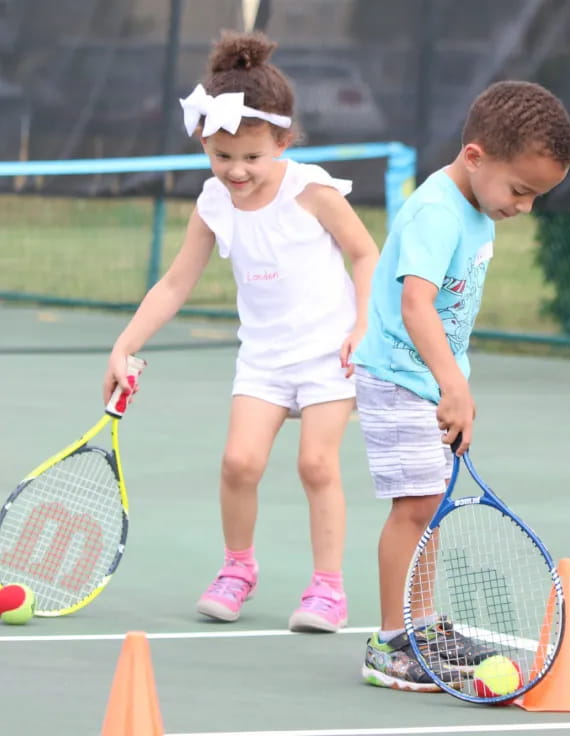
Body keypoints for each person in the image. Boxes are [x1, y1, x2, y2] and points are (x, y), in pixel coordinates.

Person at [103, 31, 378, 632]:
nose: (236, 170)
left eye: (252, 157)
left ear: (282, 142)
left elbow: (365, 255)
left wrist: (364, 326)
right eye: (222, 156)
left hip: (331, 353)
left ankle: (327, 590)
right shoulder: (213, 202)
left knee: (317, 466)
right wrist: (125, 344)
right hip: (264, 360)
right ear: (204, 141)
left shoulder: (312, 190)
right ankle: (237, 569)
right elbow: (175, 284)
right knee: (238, 463)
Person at [351, 80, 570, 690]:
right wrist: (453, 384)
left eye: (536, 197)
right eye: (520, 191)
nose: (524, 207)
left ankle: (419, 625)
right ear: (476, 157)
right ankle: (390, 643)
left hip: (431, 384)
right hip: (399, 380)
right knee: (416, 507)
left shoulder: (478, 208)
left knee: (429, 508)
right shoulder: (436, 210)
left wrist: (452, 385)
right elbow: (416, 305)